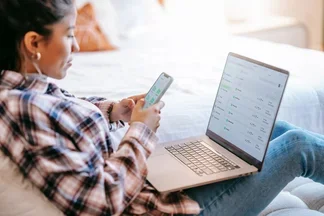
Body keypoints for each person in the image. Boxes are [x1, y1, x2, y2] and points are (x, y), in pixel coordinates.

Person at [1, 1, 324, 215]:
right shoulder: (23, 108)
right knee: (299, 146)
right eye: (70, 35)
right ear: (33, 43)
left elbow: (62, 113)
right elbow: (98, 202)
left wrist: (115, 110)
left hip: (154, 189)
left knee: (279, 130)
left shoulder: (24, 91)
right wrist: (140, 130)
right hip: (158, 209)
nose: (76, 46)